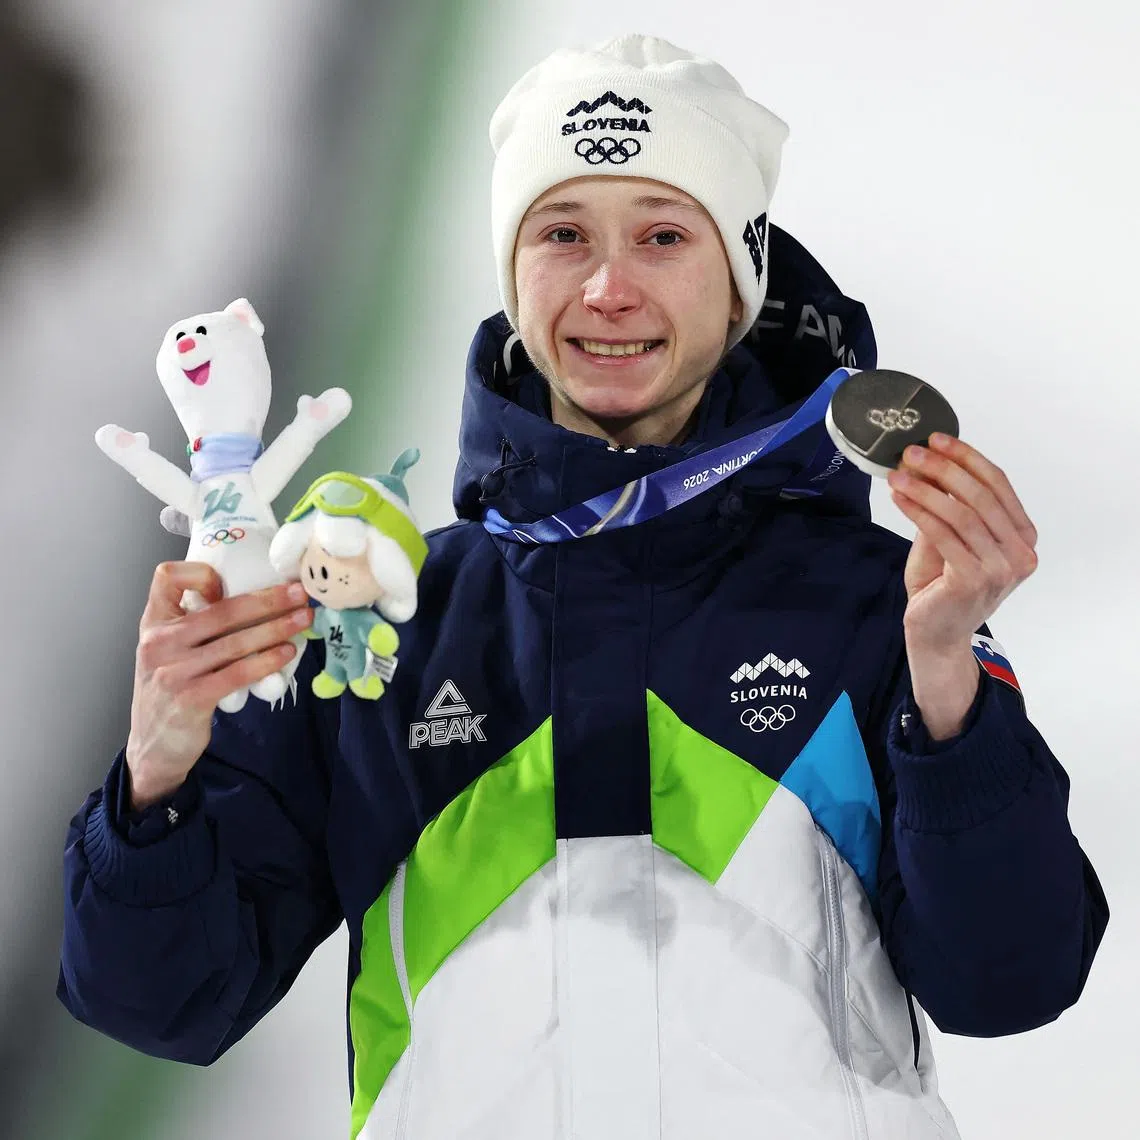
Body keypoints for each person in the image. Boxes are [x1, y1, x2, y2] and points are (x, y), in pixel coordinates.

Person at [58, 34, 1108, 1140]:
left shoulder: (876, 604)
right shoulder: (384, 622)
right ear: (513, 276)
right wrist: (154, 779)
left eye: (663, 236)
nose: (609, 289)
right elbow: (162, 1002)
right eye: (563, 234)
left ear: (740, 282)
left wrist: (950, 694)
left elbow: (1011, 980)